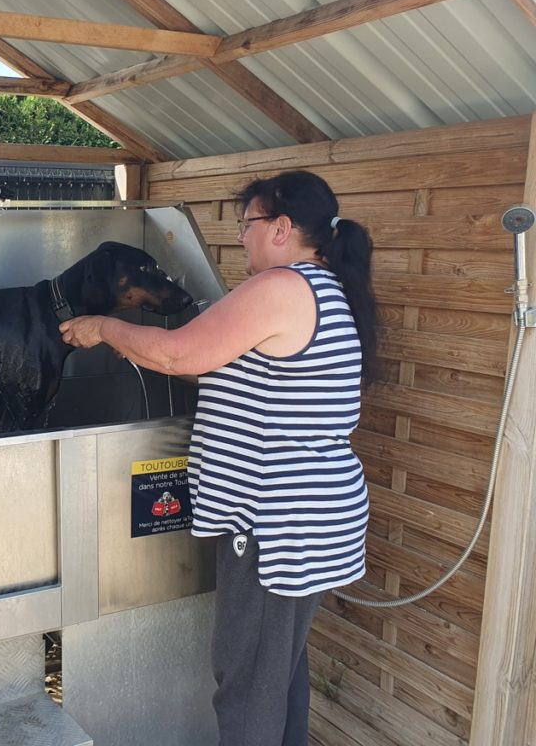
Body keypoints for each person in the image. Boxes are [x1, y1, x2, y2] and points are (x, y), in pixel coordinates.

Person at [59, 169, 376, 746]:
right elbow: (219, 361)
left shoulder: (283, 287)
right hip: (312, 516)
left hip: (277, 523)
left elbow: (181, 355)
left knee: (248, 679)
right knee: (277, 671)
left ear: (282, 228)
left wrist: (105, 325)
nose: (241, 239)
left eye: (248, 225)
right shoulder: (325, 288)